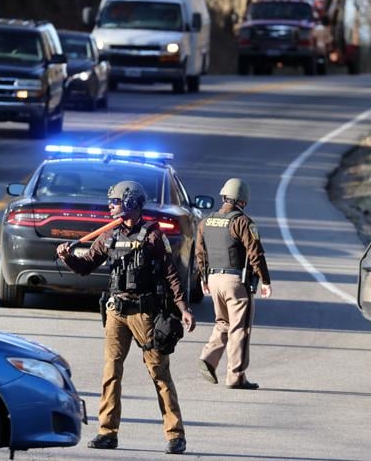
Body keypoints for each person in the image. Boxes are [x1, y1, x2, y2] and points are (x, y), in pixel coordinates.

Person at [56, 180, 195, 455]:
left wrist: (183, 308)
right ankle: (107, 432)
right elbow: (86, 267)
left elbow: (171, 274)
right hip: (116, 312)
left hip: (145, 314)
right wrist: (68, 258)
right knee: (111, 372)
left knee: (159, 372)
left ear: (131, 203)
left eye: (115, 202)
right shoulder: (109, 235)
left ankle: (175, 435)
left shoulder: (154, 235)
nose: (110, 206)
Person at [196, 178, 271, 389]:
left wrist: (203, 279)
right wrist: (265, 280)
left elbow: (200, 253)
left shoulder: (206, 221)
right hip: (235, 282)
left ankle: (208, 357)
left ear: (223, 197)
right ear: (243, 200)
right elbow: (255, 253)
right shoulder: (242, 222)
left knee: (223, 322)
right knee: (240, 328)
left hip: (213, 280)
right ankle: (236, 376)